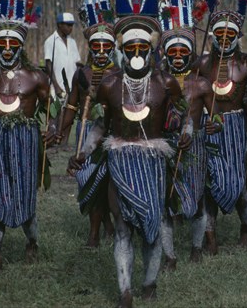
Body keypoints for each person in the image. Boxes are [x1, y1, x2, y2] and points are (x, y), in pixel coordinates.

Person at [69, 16, 190, 307]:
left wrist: (187, 132)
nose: (136, 54)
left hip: (152, 161)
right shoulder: (110, 85)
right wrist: (85, 149)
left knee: (152, 226)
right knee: (122, 227)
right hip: (120, 160)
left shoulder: (166, 82)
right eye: (131, 48)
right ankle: (125, 290)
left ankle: (149, 284)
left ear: (151, 50)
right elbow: (103, 125)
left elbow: (185, 116)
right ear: (122, 51)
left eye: (141, 48)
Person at [0, 0, 51, 272]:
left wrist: (54, 130)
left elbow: (52, 109)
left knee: (23, 196)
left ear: (21, 45)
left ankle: (31, 240)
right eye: (2, 45)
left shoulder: (35, 77)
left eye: (12, 45)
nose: (7, 49)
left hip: (25, 142)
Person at [195, 4, 247, 254]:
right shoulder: (202, 63)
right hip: (210, 126)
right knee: (210, 181)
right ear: (213, 36)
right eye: (220, 36)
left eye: (230, 36)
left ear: (238, 36)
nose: (225, 41)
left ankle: (246, 228)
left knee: (237, 185)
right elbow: (192, 94)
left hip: (236, 129)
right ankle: (210, 236)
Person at [159, 8, 221, 267]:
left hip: (194, 145)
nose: (177, 57)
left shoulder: (202, 84)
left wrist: (212, 126)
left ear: (191, 53)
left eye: (182, 51)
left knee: (195, 199)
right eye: (171, 52)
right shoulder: (158, 81)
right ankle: (169, 255)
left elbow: (216, 118)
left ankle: (196, 247)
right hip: (164, 144)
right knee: (165, 201)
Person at [58, 20, 118, 248]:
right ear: (90, 48)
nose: (101, 52)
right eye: (97, 47)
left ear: (112, 48)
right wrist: (59, 130)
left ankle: (97, 233)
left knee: (108, 182)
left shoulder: (119, 74)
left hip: (111, 134)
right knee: (88, 180)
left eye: (106, 47)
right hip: (85, 133)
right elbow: (72, 107)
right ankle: (102, 228)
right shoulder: (81, 74)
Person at [44, 12, 81, 145]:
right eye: (68, 25)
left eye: (72, 25)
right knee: (56, 114)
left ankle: (64, 142)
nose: (70, 28)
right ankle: (51, 141)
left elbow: (77, 62)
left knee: (70, 113)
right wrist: (57, 86)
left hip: (72, 84)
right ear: (60, 25)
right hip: (57, 84)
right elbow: (48, 64)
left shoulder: (72, 42)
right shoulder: (51, 41)